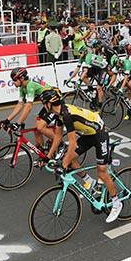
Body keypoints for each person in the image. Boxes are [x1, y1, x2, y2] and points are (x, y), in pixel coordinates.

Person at [41, 89, 123, 223]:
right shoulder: (59, 114)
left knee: (102, 171)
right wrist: (48, 157)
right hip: (88, 134)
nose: (43, 106)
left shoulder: (67, 115)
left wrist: (63, 165)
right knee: (69, 158)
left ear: (49, 103)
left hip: (99, 134)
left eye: (44, 103)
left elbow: (72, 144)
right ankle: (90, 182)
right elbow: (58, 136)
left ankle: (116, 202)